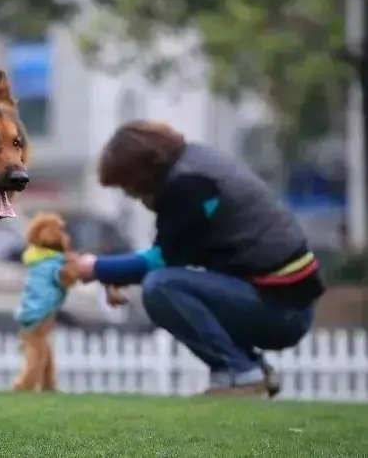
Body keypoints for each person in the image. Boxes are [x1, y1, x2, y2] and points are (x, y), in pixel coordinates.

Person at [71, 120, 325, 397]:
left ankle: (240, 372)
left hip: (282, 307)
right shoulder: (197, 165)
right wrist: (115, 273)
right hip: (285, 300)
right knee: (171, 284)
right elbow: (178, 252)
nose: (130, 195)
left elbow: (161, 261)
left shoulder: (187, 184)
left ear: (143, 171)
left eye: (127, 185)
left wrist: (96, 268)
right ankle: (250, 368)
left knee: (162, 287)